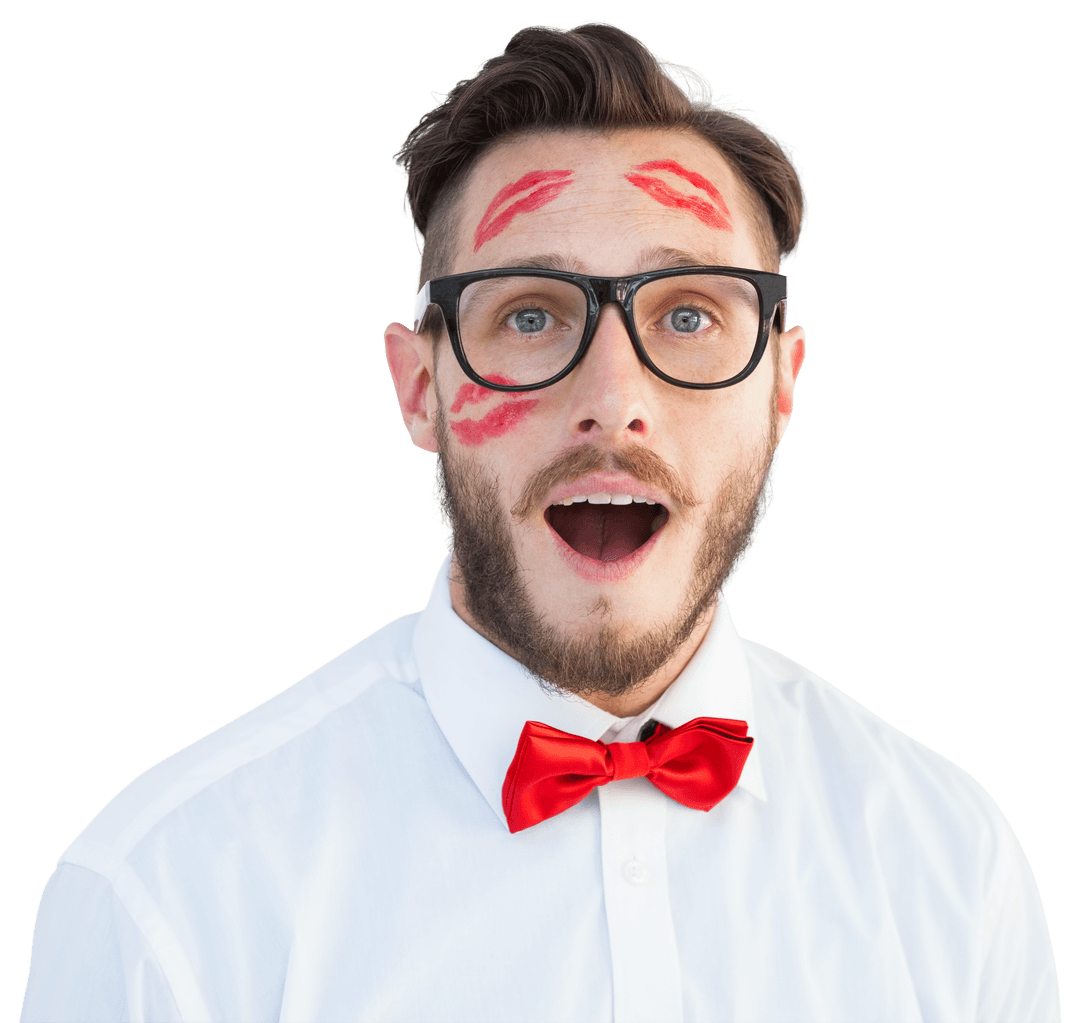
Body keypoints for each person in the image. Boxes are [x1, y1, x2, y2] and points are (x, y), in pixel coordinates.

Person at [20, 21, 1059, 1023]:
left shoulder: (953, 865)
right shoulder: (168, 892)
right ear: (417, 386)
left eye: (688, 314)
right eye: (530, 313)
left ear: (781, 390)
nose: (613, 397)